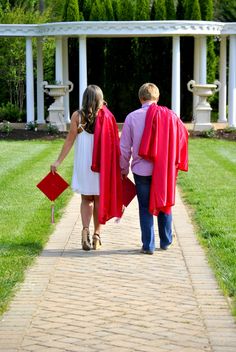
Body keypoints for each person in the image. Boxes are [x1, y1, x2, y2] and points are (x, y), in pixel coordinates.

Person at [51, 85, 122, 251]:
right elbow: (114, 144)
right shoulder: (107, 116)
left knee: (86, 199)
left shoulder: (78, 116)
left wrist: (58, 161)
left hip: (84, 164)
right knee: (98, 199)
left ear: (85, 98)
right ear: (100, 98)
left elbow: (69, 141)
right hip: (100, 164)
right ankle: (97, 234)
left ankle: (85, 231)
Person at [120, 83, 188, 254]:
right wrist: (174, 161)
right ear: (157, 98)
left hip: (140, 170)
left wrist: (123, 168)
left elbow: (124, 148)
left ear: (140, 98)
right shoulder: (171, 116)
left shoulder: (131, 117)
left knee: (144, 207)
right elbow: (182, 137)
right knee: (164, 203)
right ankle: (166, 241)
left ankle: (148, 245)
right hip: (164, 169)